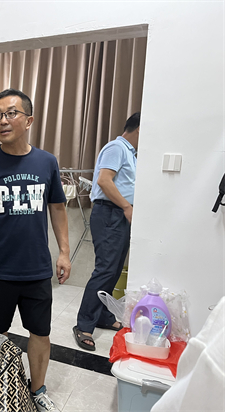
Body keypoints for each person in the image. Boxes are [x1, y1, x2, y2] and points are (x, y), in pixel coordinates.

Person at [0, 88, 71, 412]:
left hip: (36, 269)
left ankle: (38, 390)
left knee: (40, 333)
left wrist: (64, 252)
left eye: (11, 113)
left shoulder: (47, 162)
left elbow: (58, 208)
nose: (2, 121)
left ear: (29, 120)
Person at [73, 112, 140, 351]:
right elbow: (104, 180)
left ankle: (102, 315)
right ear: (139, 129)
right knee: (105, 270)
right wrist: (127, 207)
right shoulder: (117, 148)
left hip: (118, 214)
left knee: (114, 269)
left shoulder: (130, 154)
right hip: (110, 212)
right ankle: (83, 325)